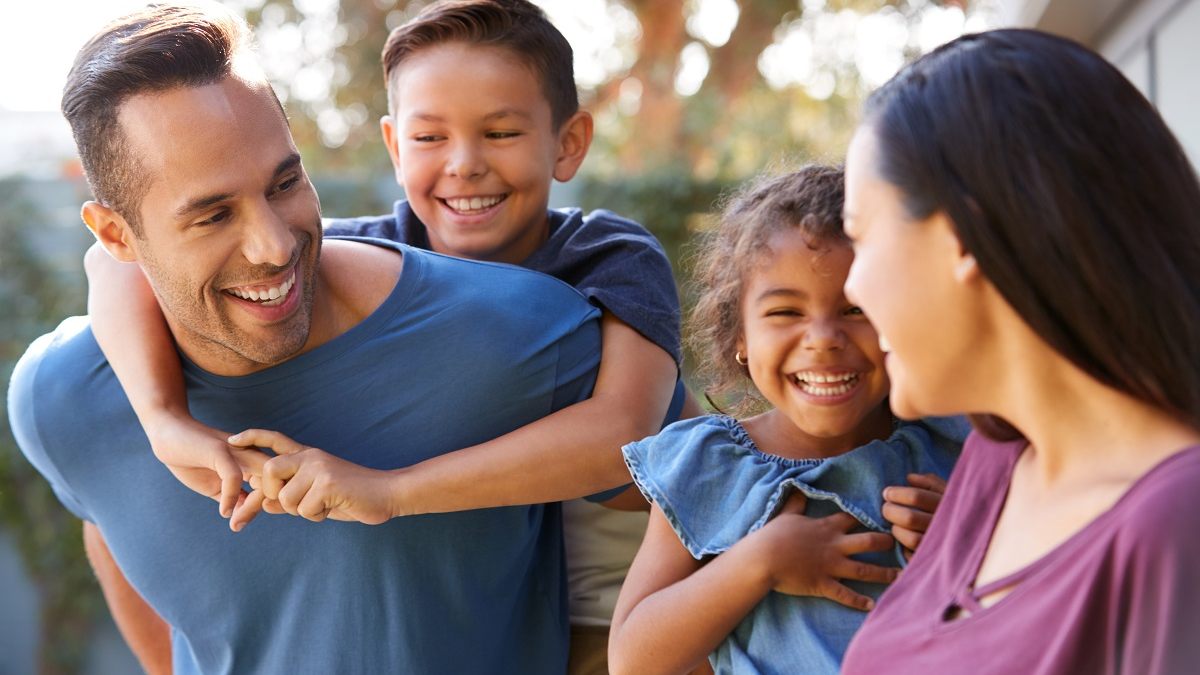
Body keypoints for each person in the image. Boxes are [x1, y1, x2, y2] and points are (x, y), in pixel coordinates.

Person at [81, 1, 692, 671]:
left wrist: (389, 489)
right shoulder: (364, 258)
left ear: (568, 142)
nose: (465, 163)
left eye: (501, 132)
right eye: (431, 138)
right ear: (395, 146)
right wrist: (162, 418)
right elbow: (111, 262)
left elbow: (627, 434)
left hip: (612, 605)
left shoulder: (607, 255)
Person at [838, 29, 1200, 673]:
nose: (853, 286)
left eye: (861, 236)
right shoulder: (995, 459)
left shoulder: (1177, 523)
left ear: (962, 236)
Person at [607, 166, 966, 675]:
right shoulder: (709, 467)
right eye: (784, 313)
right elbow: (631, 661)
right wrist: (762, 562)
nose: (823, 338)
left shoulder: (952, 445)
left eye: (856, 309)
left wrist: (965, 541)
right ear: (740, 338)